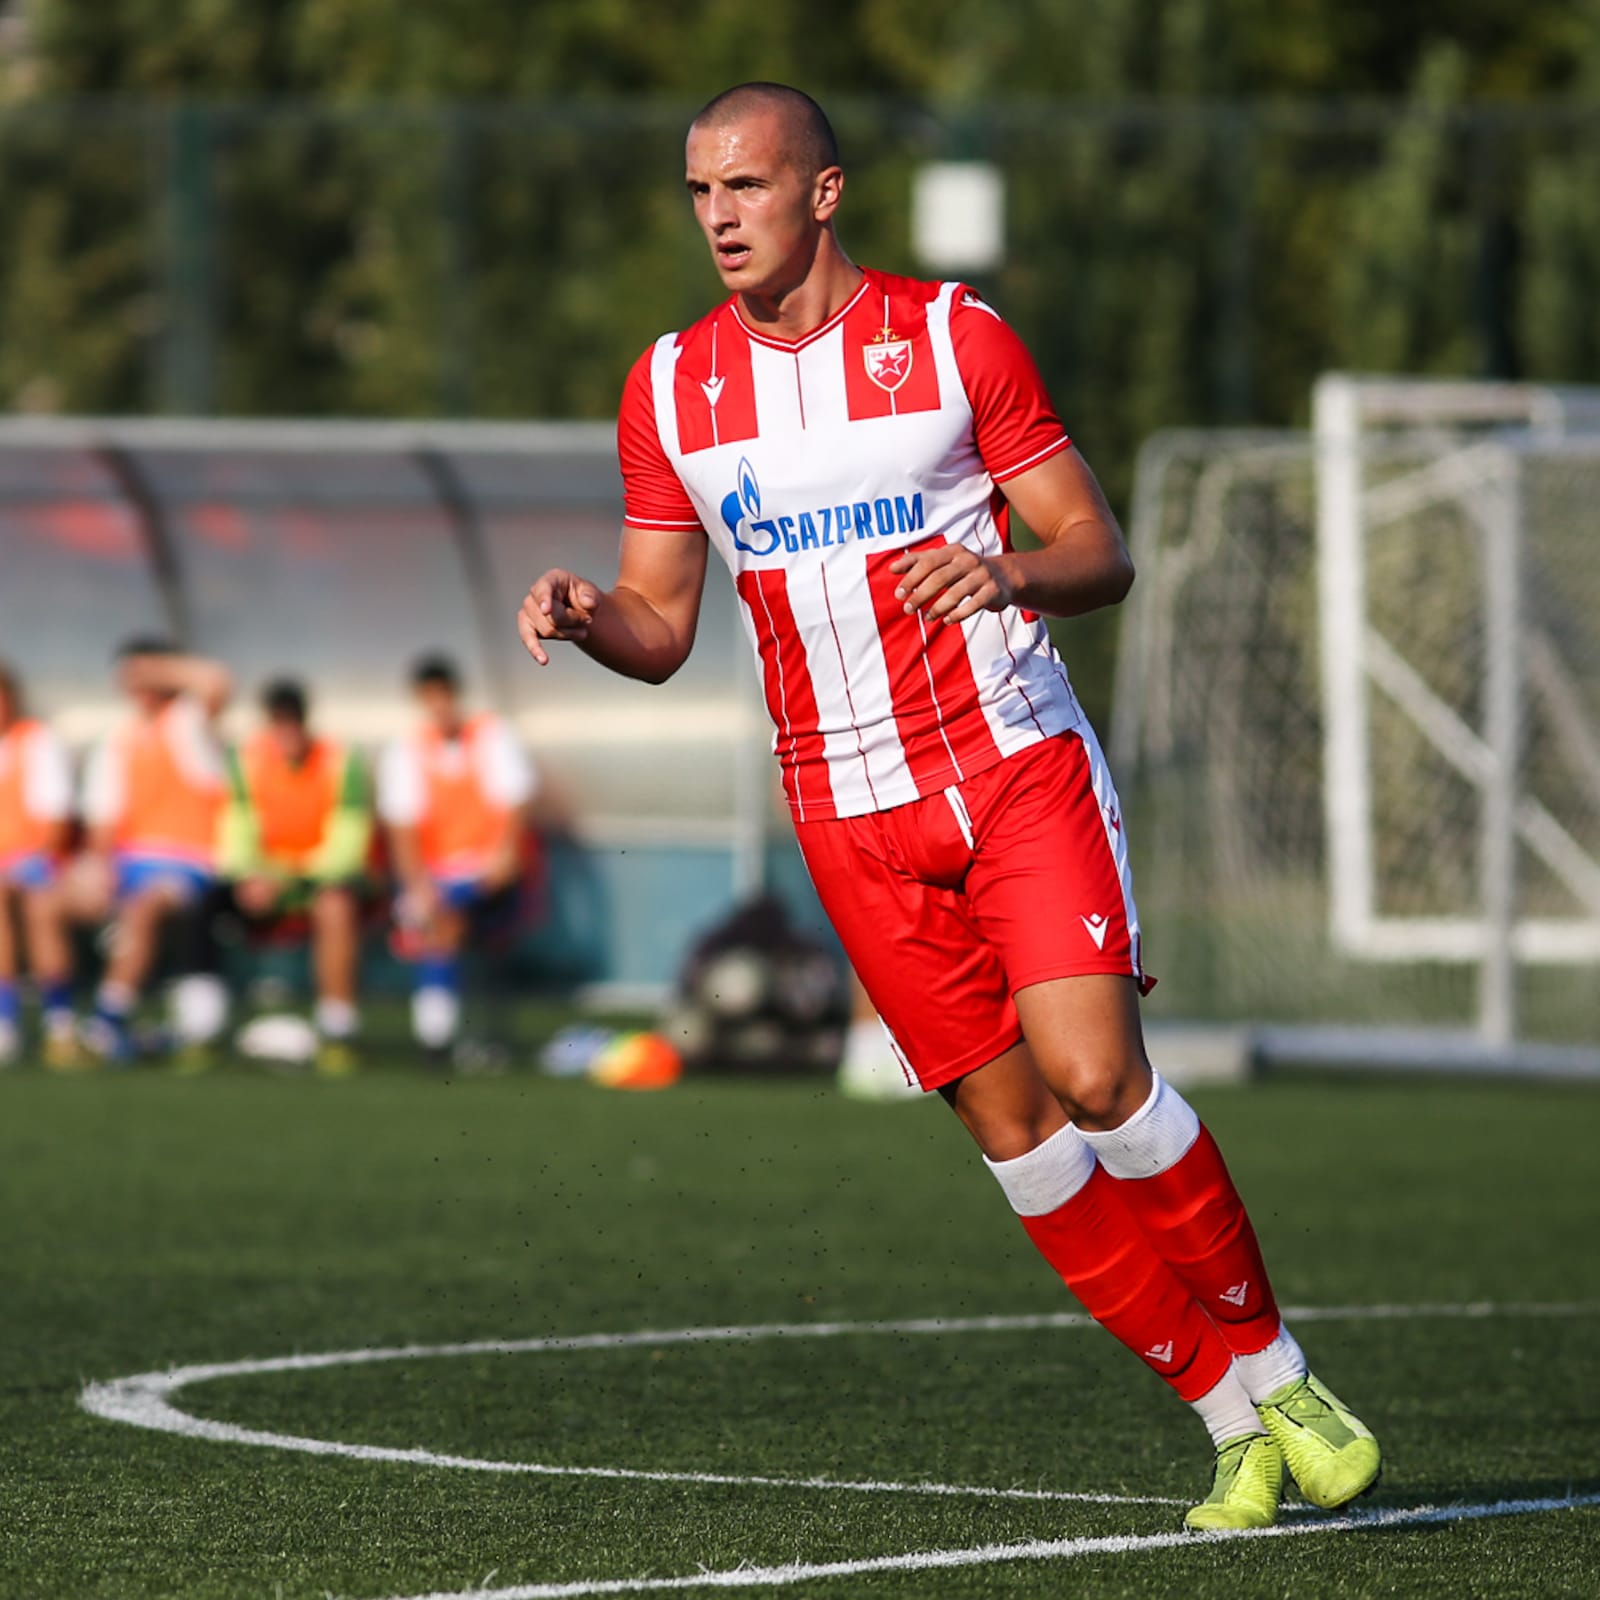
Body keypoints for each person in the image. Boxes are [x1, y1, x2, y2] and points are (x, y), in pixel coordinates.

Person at [517, 82, 1380, 1530]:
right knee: (1020, 1137)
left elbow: (1094, 544)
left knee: (1097, 1077)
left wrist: (1010, 573)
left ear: (825, 193)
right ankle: (1231, 1422)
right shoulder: (669, 387)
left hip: (1009, 765)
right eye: (700, 192)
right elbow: (663, 626)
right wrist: (588, 613)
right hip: (847, 818)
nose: (721, 215)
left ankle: (1281, 1368)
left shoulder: (949, 337)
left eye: (748, 185)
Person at [72, 639, 232, 1063]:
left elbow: (216, 681)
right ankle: (49, 1019)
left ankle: (107, 1019)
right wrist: (99, 871)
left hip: (188, 863)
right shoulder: (117, 739)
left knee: (141, 910)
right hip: (129, 864)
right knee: (43, 903)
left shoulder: (186, 723)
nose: (137, 683)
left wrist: (159, 669)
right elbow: (102, 822)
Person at [376, 654, 536, 1058]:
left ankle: (438, 1036)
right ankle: (439, 1035)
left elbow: (516, 810)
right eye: (430, 697)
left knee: (443, 917)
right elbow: (403, 830)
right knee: (434, 913)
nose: (439, 705)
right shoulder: (406, 751)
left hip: (490, 878)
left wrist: (503, 858)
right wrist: (418, 885)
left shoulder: (493, 736)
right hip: (438, 882)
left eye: (444, 695)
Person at [210, 678, 372, 1072]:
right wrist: (250, 876)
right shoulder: (246, 760)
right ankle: (202, 1026)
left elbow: (348, 844)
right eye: (278, 722)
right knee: (200, 904)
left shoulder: (340, 760)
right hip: (266, 883)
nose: (287, 732)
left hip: (314, 883)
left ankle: (337, 1029)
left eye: (293, 721)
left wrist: (292, 877)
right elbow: (235, 832)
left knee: (335, 907)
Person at [0, 662, 79, 1067]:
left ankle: (58, 1021)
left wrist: (26, 864)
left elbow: (55, 822)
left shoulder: (38, 741)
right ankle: (7, 1019)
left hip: (38, 861)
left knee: (38, 908)